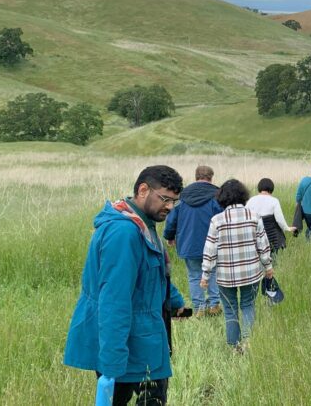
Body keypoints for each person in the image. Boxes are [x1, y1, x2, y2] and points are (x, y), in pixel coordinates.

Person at [64, 166, 187, 406]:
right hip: (128, 345)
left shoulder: (143, 224)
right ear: (143, 190)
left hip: (144, 338)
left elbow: (154, 273)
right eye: (165, 199)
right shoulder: (124, 233)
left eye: (175, 202)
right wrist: (111, 364)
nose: (170, 207)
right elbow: (114, 301)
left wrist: (175, 302)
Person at [202, 179, 273, 352]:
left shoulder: (217, 220)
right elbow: (263, 245)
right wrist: (268, 266)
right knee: (248, 305)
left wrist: (205, 274)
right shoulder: (253, 216)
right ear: (243, 195)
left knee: (230, 309)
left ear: (222, 198)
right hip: (251, 272)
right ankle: (248, 342)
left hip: (225, 275)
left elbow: (210, 249)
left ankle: (234, 347)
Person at [163, 165, 222, 318]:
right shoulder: (217, 196)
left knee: (195, 275)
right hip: (213, 243)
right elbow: (223, 220)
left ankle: (199, 307)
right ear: (211, 177)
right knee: (214, 272)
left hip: (189, 244)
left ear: (196, 177)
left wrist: (169, 236)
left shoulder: (183, 197)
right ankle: (214, 304)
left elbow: (171, 219)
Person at [246, 178, 296, 260]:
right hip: (272, 236)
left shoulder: (251, 200)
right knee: (272, 258)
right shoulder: (274, 201)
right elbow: (279, 220)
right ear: (271, 189)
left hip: (255, 235)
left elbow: (246, 216)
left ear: (259, 188)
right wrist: (287, 228)